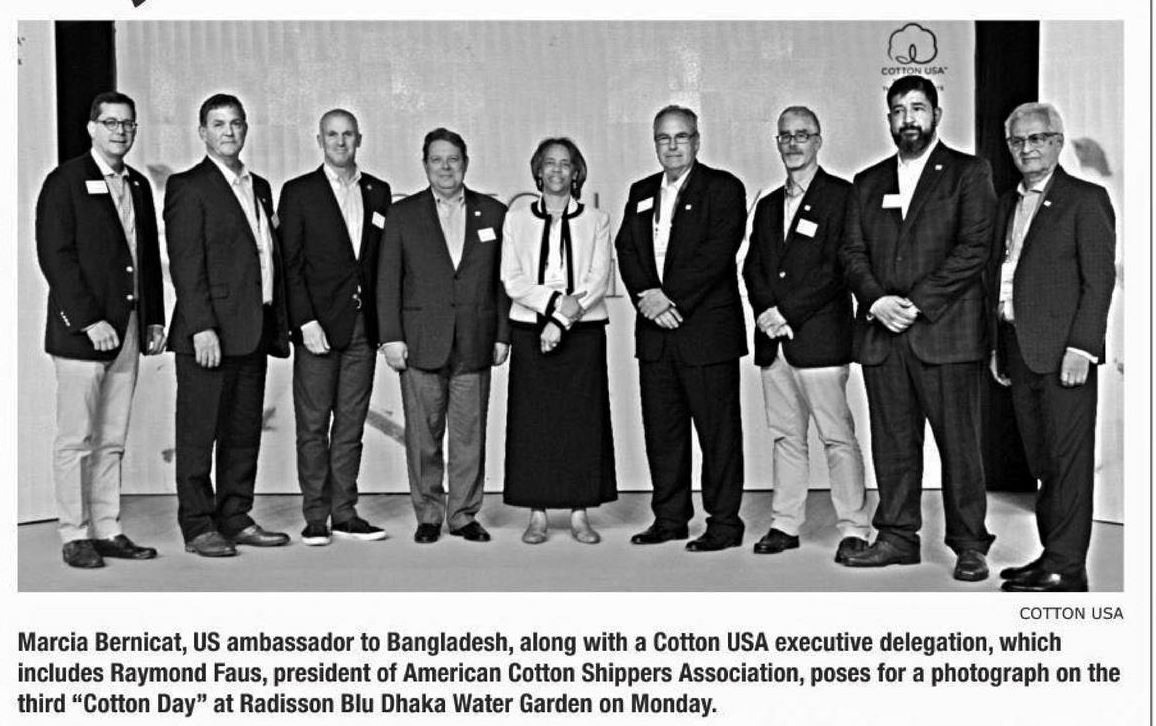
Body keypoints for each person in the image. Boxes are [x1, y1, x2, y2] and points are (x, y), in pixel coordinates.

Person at [840, 75, 997, 581]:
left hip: (946, 334)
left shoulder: (969, 172)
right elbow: (852, 252)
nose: (908, 119)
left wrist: (916, 303)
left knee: (960, 447)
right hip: (882, 337)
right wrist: (877, 300)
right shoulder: (867, 182)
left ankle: (969, 544)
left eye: (917, 108)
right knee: (892, 445)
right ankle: (897, 537)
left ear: (936, 115)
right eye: (899, 110)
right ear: (888, 119)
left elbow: (974, 248)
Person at [35, 91, 165, 568]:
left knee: (112, 438)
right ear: (92, 128)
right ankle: (74, 533)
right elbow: (55, 255)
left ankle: (108, 528)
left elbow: (146, 256)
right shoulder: (65, 181)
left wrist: (154, 318)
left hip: (128, 328)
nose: (120, 131)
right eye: (110, 122)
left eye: (128, 124)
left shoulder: (138, 185)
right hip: (82, 335)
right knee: (76, 439)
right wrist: (89, 321)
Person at [991, 103, 1115, 592]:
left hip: (1066, 356)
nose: (1028, 149)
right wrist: (998, 347)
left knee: (1069, 464)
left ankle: (1068, 568)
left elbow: (1098, 281)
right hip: (1019, 350)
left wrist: (1083, 348)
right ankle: (1051, 556)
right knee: (1043, 463)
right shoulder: (1006, 203)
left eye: (1038, 138)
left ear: (1058, 142)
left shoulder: (1085, 199)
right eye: (1018, 141)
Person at [614, 105, 748, 552]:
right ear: (655, 143)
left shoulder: (724, 188)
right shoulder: (640, 191)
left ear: (697, 140)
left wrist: (668, 298)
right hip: (656, 335)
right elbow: (627, 250)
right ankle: (670, 518)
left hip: (706, 334)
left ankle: (724, 524)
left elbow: (717, 253)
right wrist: (648, 298)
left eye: (681, 137)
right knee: (663, 433)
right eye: (663, 138)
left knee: (718, 436)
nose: (672, 146)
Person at [741, 106, 871, 561]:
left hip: (819, 340)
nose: (793, 143)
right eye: (785, 136)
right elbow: (753, 266)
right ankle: (784, 523)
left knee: (837, 438)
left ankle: (854, 527)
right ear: (777, 143)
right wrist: (765, 311)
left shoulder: (842, 196)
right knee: (785, 438)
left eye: (802, 134)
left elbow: (839, 268)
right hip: (773, 342)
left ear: (818, 141)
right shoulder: (768, 204)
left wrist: (786, 313)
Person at [165, 93, 291, 557]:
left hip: (253, 329)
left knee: (242, 433)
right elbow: (186, 262)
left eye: (236, 123)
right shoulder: (188, 186)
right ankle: (198, 525)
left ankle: (235, 516)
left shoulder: (260, 186)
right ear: (202, 133)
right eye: (218, 124)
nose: (229, 132)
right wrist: (201, 326)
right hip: (210, 334)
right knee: (199, 434)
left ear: (246, 129)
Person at [376, 128, 510, 544]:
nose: (445, 167)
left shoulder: (494, 212)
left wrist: (503, 335)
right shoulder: (403, 214)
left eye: (453, 159)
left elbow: (503, 282)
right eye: (437, 159)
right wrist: (391, 337)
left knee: (469, 437)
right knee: (423, 437)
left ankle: (464, 515)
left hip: (475, 340)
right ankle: (429, 515)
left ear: (465, 163)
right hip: (419, 342)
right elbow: (387, 280)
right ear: (425, 165)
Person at [278, 109, 392, 546]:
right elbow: (290, 266)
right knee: (312, 426)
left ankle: (345, 513)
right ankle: (315, 516)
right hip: (317, 329)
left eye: (347, 134)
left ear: (359, 139)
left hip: (363, 328)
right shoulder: (299, 192)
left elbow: (380, 265)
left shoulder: (378, 191)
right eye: (332, 134)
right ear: (319, 140)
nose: (340, 142)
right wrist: (304, 321)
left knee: (350, 426)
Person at [500, 137, 617, 544]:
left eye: (565, 164)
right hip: (530, 328)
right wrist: (553, 307)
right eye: (549, 163)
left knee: (582, 422)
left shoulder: (596, 219)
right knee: (533, 423)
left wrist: (562, 320)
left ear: (576, 172)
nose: (556, 170)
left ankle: (580, 513)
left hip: (582, 332)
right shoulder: (516, 218)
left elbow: (597, 280)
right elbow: (512, 279)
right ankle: (537, 514)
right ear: (538, 170)